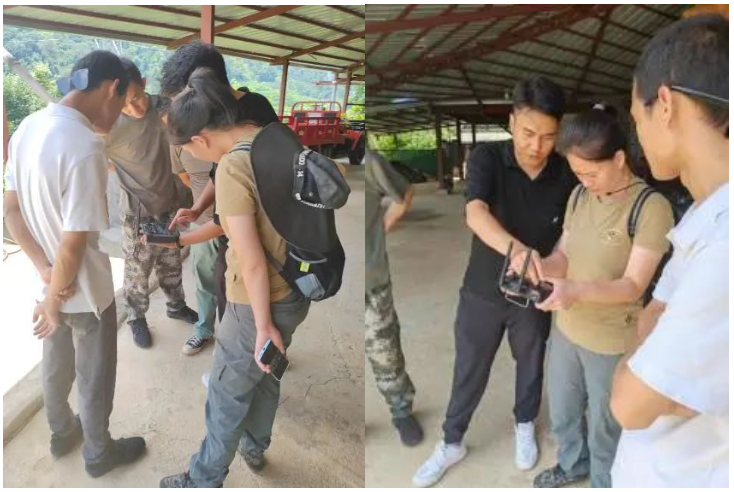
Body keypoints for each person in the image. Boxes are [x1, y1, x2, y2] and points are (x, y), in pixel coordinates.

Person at [413, 77, 578, 488]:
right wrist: (518, 252)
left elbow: (570, 232)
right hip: (483, 291)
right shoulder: (487, 158)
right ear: (512, 121)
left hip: (534, 294)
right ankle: (452, 441)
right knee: (469, 367)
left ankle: (525, 424)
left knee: (531, 363)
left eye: (548, 136)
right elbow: (475, 212)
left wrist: (551, 264)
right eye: (528, 133)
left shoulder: (565, 174)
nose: (537, 145)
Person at [159, 68, 311, 488]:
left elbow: (252, 261)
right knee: (266, 374)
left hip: (256, 301)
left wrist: (261, 324)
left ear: (200, 139)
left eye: (191, 150)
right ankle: (255, 446)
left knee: (227, 393)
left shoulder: (232, 165)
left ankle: (203, 479)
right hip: (298, 285)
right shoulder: (275, 137)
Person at [3, 50, 146, 478]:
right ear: (112, 88)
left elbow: (10, 210)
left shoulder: (28, 127)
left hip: (49, 281)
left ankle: (62, 431)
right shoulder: (84, 145)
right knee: (94, 376)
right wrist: (54, 296)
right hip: (85, 292)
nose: (120, 115)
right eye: (124, 102)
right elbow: (73, 244)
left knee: (56, 361)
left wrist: (45, 277)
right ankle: (98, 453)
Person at [609, 14, 728, 488]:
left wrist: (638, 369)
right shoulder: (703, 213)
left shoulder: (724, 246)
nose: (637, 135)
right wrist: (662, 382)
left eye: (636, 119)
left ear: (664, 105)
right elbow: (650, 314)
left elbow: (628, 404)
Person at [530, 106, 674, 488]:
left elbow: (633, 285)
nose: (584, 181)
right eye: (577, 173)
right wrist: (540, 267)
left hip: (611, 339)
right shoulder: (579, 196)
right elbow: (563, 255)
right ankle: (572, 464)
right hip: (567, 328)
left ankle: (603, 481)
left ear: (619, 159)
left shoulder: (650, 208)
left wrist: (575, 290)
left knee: (605, 425)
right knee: (563, 410)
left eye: (590, 173)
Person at [161, 41, 280, 325]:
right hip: (229, 222)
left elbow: (231, 212)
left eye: (187, 94)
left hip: (253, 229)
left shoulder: (249, 118)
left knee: (240, 297)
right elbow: (218, 175)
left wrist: (180, 241)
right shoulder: (221, 122)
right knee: (219, 283)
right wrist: (197, 207)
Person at [105, 58, 198, 349]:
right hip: (137, 211)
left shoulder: (168, 108)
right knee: (138, 271)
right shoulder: (108, 124)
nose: (134, 108)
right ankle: (136, 318)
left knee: (172, 262)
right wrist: (126, 173)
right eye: (124, 105)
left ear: (144, 83)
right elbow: (96, 159)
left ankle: (176, 305)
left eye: (136, 98)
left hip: (172, 204)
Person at [365, 149, 423, 446]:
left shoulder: (368, 163)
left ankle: (401, 410)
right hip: (321, 280)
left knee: (385, 350)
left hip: (370, 282)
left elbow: (404, 194)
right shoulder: (297, 160)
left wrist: (381, 229)